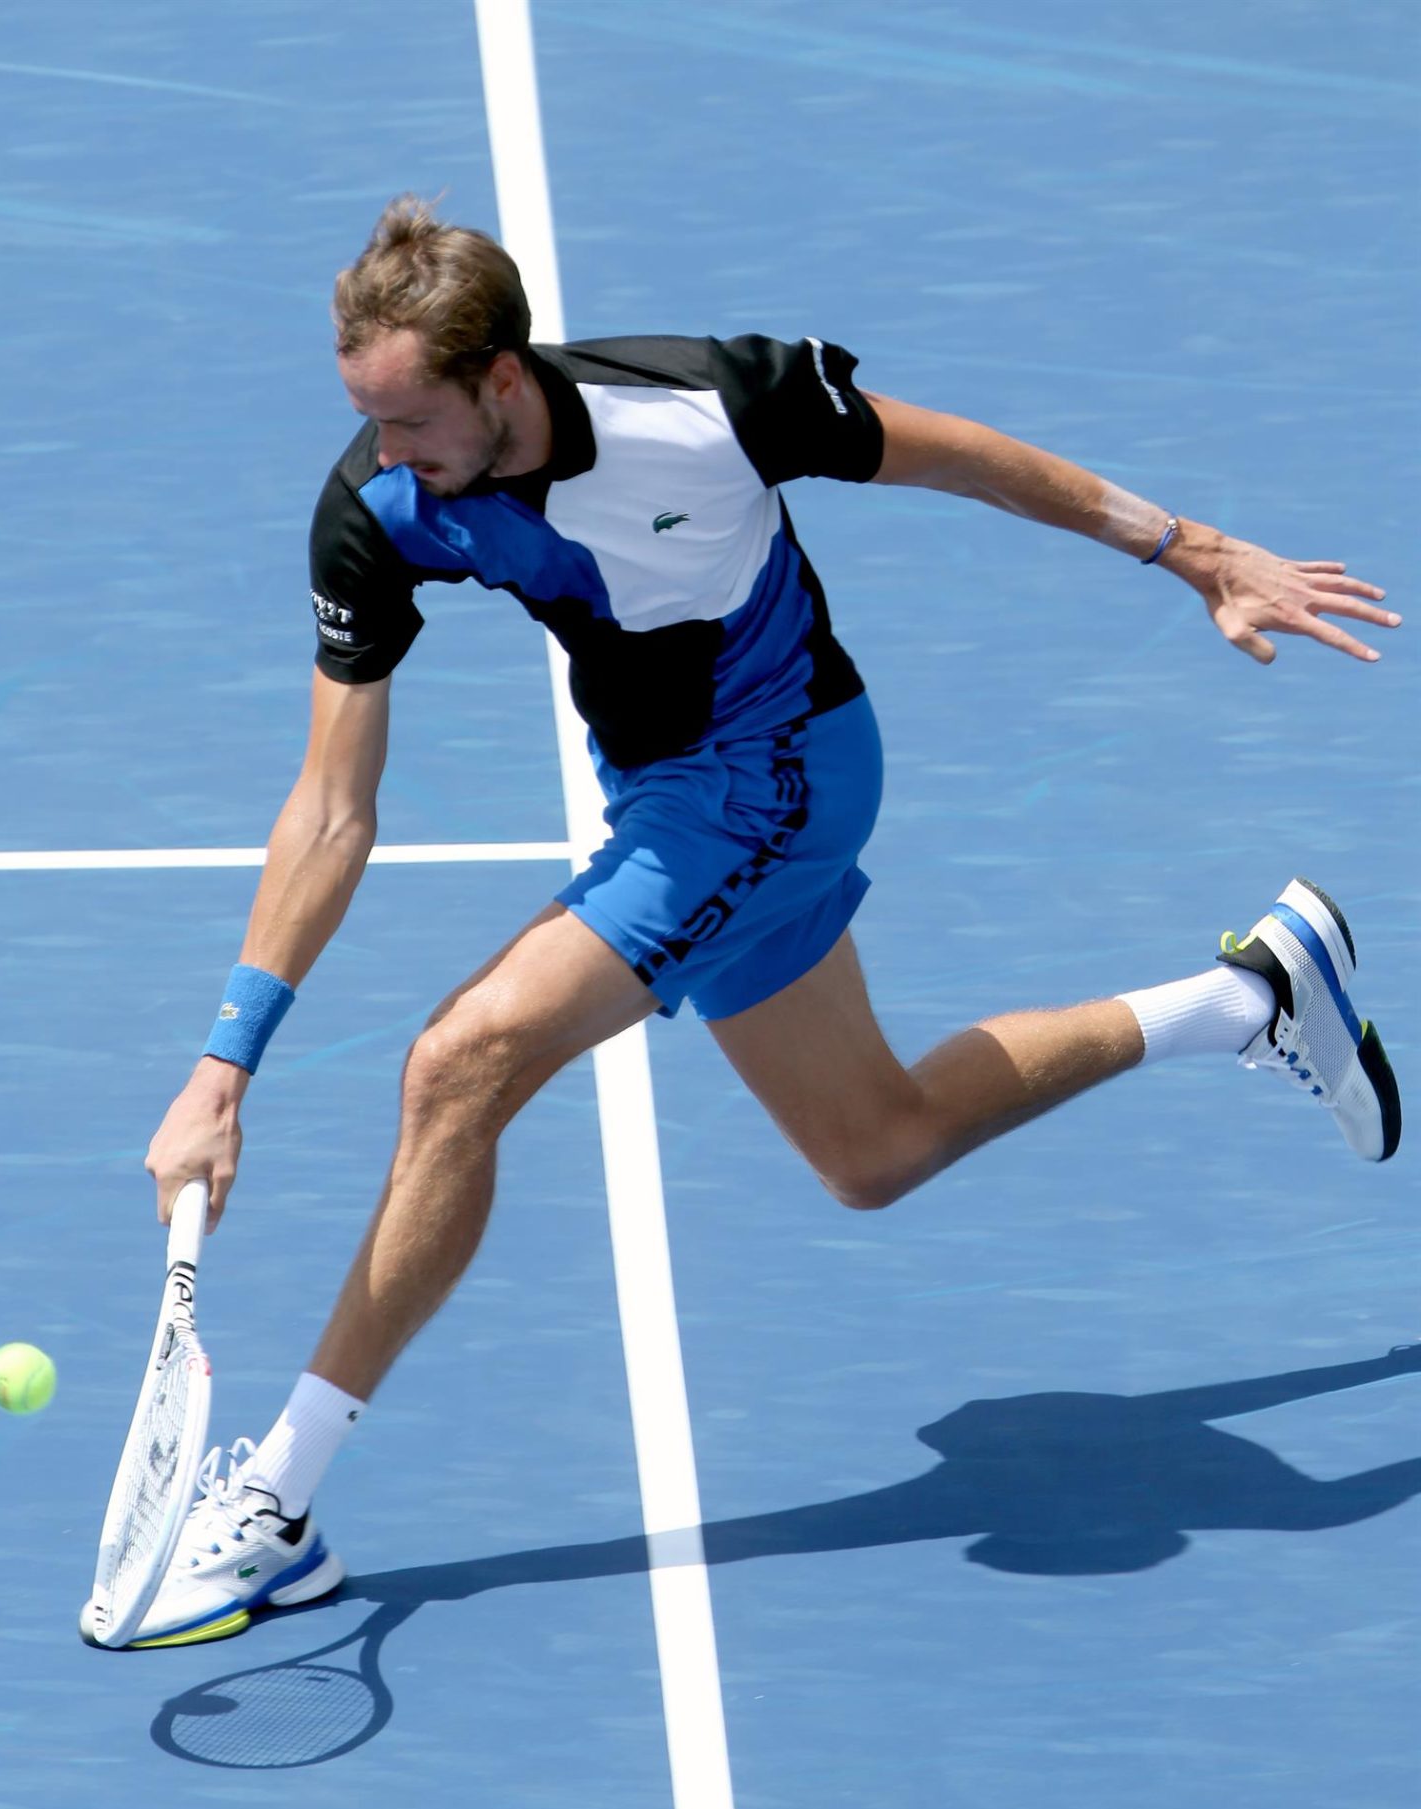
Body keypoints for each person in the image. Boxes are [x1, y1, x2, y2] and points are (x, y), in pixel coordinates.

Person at [124, 195, 1402, 1648]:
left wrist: (1194, 550)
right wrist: (224, 1065)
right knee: (877, 1147)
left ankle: (280, 1508)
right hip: (664, 788)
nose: (384, 455)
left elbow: (970, 460)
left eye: (408, 421)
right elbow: (331, 811)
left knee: (459, 1064)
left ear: (498, 380)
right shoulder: (384, 508)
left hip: (780, 774)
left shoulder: (710, 402)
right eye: (368, 419)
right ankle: (1251, 996)